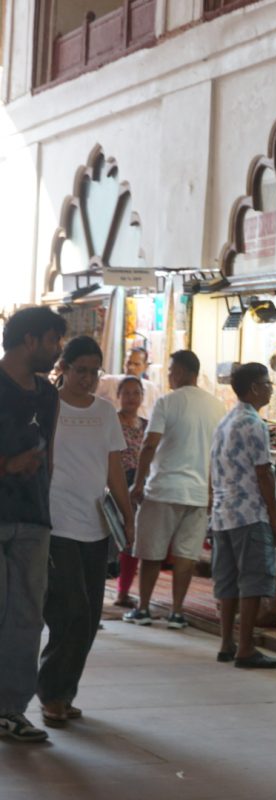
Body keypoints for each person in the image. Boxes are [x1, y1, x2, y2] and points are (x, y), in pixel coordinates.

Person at [37, 335, 134, 726]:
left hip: (96, 526)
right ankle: (51, 693)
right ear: (63, 369)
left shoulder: (105, 412)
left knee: (90, 614)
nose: (88, 379)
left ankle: (64, 691)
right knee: (68, 609)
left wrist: (128, 514)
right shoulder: (48, 406)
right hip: (56, 523)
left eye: (95, 372)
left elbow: (114, 468)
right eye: (81, 371)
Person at [0, 306, 65, 743]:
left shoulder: (48, 395)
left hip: (33, 518)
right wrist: (8, 465)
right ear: (29, 341)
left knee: (26, 617)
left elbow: (52, 455)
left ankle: (10, 710)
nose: (56, 350)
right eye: (52, 341)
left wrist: (43, 495)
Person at [125, 350, 225, 628]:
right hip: (197, 492)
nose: (168, 376)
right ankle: (177, 613)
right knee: (186, 555)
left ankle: (143, 608)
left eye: (170, 371)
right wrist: (212, 489)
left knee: (151, 552)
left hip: (164, 488)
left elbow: (149, 443)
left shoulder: (166, 402)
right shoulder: (217, 407)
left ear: (180, 372)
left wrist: (139, 480)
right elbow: (218, 453)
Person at [209, 363, 276, 669]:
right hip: (249, 512)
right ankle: (246, 647)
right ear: (254, 388)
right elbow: (264, 474)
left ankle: (227, 642)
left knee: (227, 580)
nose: (270, 389)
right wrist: (275, 517)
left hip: (223, 513)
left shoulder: (226, 421)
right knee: (253, 579)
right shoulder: (255, 424)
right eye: (267, 383)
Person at [113, 376, 147, 608]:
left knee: (132, 539)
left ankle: (123, 592)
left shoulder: (147, 425)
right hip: (117, 483)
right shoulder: (112, 422)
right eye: (126, 393)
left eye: (136, 393)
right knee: (114, 537)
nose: (131, 398)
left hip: (140, 485)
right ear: (119, 396)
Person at [96, 346, 160, 418]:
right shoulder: (109, 382)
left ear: (145, 367)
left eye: (136, 364)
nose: (131, 367)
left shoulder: (152, 390)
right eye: (129, 363)